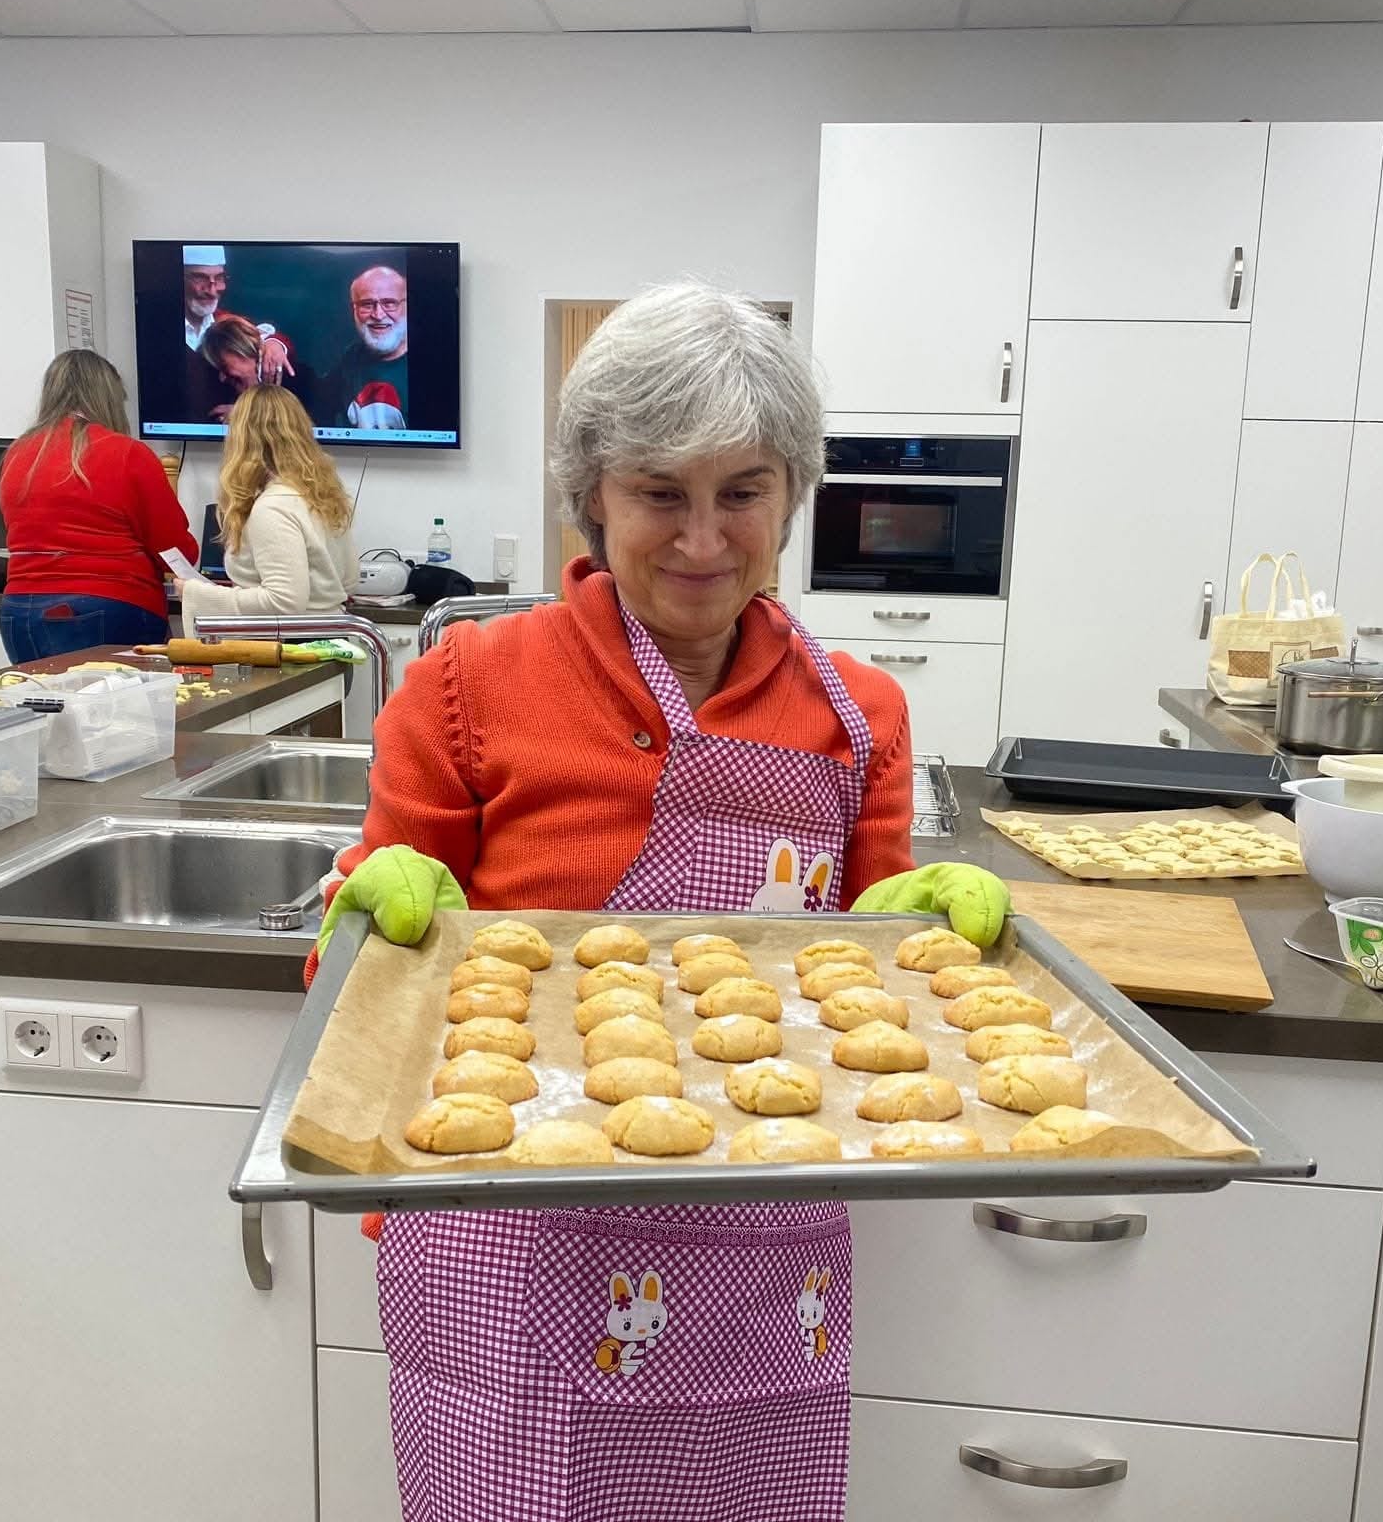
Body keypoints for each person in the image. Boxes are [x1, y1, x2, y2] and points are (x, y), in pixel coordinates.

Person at [305, 283, 1010, 1522]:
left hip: (754, 1244)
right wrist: (364, 921)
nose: (701, 538)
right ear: (593, 496)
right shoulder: (468, 685)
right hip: (504, 1247)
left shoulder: (856, 713)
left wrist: (919, 922)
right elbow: (360, 1014)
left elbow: (872, 978)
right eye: (658, 494)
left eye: (740, 490)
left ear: (790, 493)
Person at [0, 350, 198, 661]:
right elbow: (174, 551)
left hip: (19, 613)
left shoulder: (19, 454)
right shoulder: (127, 453)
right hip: (105, 605)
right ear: (110, 397)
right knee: (121, 708)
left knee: (43, 708)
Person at [179, 385, 357, 634]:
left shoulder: (272, 508)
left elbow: (284, 602)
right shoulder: (321, 495)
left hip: (287, 650)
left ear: (242, 439)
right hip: (329, 641)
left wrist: (198, 593)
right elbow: (348, 581)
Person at [180, 242, 293, 378]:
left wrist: (274, 344)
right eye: (200, 279)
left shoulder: (224, 319)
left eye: (219, 278)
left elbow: (271, 337)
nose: (212, 291)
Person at [318, 263, 410, 429]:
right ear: (354, 309)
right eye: (367, 304)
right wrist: (277, 344)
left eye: (389, 303)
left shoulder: (432, 363)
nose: (378, 315)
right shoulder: (350, 359)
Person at [199, 316, 318, 424]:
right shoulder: (215, 390)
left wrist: (249, 415)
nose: (222, 377)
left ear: (252, 352)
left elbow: (305, 432)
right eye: (218, 366)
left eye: (224, 365)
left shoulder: (302, 380)